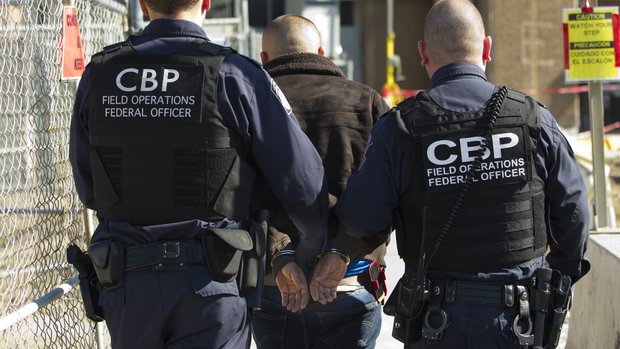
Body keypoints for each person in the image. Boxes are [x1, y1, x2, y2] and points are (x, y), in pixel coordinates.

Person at [311, 0, 591, 348]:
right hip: (518, 319)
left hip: (436, 321)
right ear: (487, 47)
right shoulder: (532, 118)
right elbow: (575, 211)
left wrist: (336, 250)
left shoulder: (400, 128)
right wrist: (559, 277)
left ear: (422, 53)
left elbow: (362, 218)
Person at [69, 1, 329, 348]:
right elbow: (304, 184)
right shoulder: (236, 74)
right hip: (210, 285)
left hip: (128, 285)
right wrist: (308, 250)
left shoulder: (100, 72)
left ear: (143, 4)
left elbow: (89, 188)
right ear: (207, 2)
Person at [251, 14, 391, 349]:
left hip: (275, 287)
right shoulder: (366, 101)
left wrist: (279, 254)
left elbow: (236, 192)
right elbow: (389, 193)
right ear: (322, 52)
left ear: (264, 60)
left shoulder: (251, 104)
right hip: (351, 282)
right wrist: (341, 250)